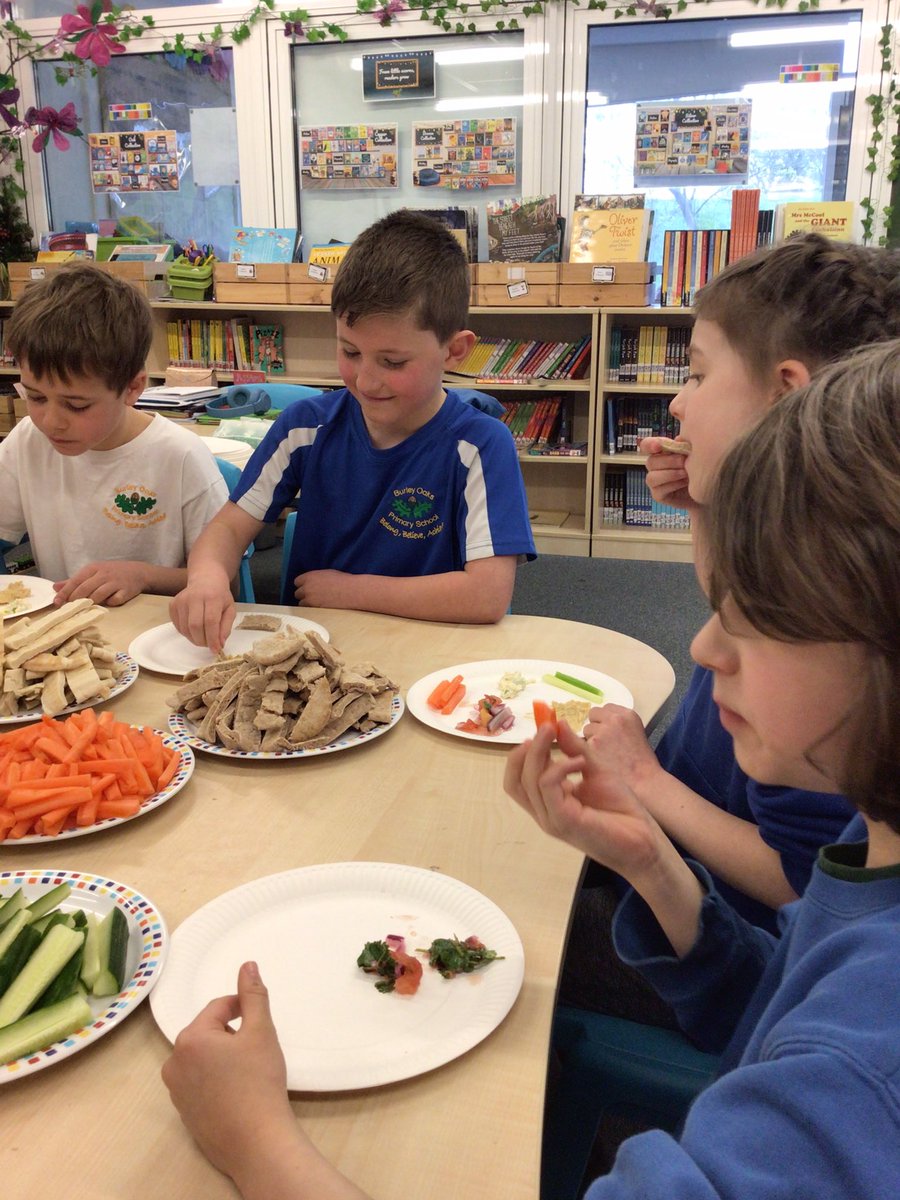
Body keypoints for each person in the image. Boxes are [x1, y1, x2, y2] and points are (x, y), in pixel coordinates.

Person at [161, 342, 900, 1199]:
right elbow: (767, 1008)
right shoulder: (870, 836)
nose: (702, 647)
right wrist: (654, 866)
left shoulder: (862, 1069)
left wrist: (254, 1142)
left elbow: (815, 1048)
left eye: (757, 617)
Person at [570, 235, 900, 973]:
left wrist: (646, 784)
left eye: (697, 373)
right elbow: (740, 605)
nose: (679, 400)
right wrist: (701, 507)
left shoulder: (827, 674)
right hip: (679, 857)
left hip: (721, 927)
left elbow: (799, 880)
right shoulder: (828, 553)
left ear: (785, 389)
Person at [169, 211, 535, 652]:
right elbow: (227, 530)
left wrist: (352, 591)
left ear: (454, 351)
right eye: (349, 351)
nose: (365, 380)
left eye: (392, 362)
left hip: (430, 654)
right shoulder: (305, 427)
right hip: (314, 656)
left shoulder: (481, 444)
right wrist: (207, 577)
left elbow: (486, 596)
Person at [0, 263, 228, 606]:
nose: (51, 421)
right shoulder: (27, 441)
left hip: (160, 633)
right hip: (69, 633)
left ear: (132, 387)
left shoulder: (179, 457)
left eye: (76, 406)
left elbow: (227, 584)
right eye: (35, 397)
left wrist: (144, 576)